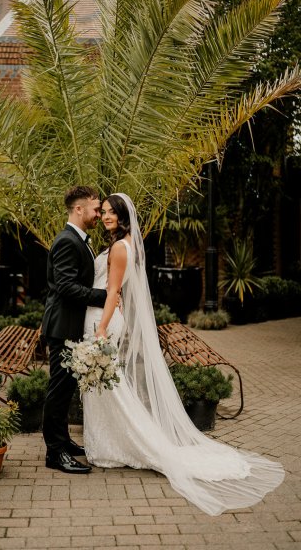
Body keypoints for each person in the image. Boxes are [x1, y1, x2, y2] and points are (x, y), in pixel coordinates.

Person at [83, 192, 285, 516]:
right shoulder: (129, 242)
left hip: (105, 322)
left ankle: (124, 446)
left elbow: (114, 292)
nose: (106, 216)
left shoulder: (120, 247)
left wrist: (102, 329)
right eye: (103, 212)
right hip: (107, 319)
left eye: (111, 212)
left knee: (110, 387)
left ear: (122, 216)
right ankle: (111, 444)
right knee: (109, 385)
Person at [42, 185, 107, 474]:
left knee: (67, 387)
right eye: (95, 209)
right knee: (58, 389)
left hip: (70, 325)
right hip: (62, 327)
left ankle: (64, 441)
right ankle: (54, 453)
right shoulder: (67, 241)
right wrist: (105, 297)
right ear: (78, 209)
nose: (98, 214)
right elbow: (66, 287)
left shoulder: (79, 239)